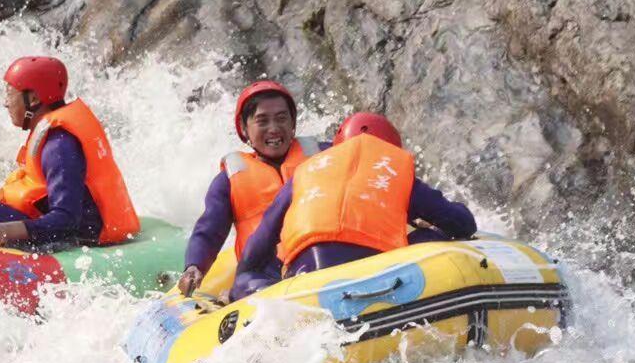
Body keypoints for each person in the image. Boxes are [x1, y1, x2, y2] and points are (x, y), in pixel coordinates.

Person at [231, 112, 477, 300]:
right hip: (375, 274)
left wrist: (242, 283)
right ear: (392, 147)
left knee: (249, 276)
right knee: (428, 237)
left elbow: (257, 247)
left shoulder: (305, 173)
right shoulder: (392, 168)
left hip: (308, 280)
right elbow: (462, 224)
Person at [0, 56, 140, 248]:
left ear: (33, 98)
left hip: (72, 236)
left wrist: (9, 229)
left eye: (10, 93)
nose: (6, 102)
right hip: (44, 220)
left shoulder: (60, 146)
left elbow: (67, 220)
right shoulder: (51, 133)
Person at [177, 80, 323, 296]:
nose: (274, 129)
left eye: (282, 118)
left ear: (293, 123)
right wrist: (194, 266)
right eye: (262, 121)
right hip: (265, 275)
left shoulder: (325, 156)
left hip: (321, 260)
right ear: (245, 129)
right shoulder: (229, 179)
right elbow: (209, 230)